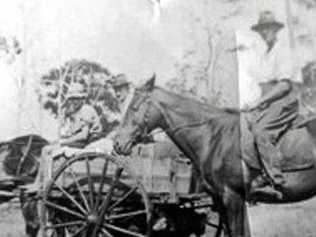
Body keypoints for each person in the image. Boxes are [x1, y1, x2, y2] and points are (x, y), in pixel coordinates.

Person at [239, 11, 301, 199]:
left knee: (261, 131)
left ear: (276, 30)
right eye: (262, 30)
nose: (265, 33)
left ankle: (275, 180)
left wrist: (260, 102)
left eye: (269, 29)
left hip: (284, 100)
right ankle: (253, 174)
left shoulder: (283, 51)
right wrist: (251, 103)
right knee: (243, 126)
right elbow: (262, 85)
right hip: (269, 100)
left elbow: (283, 85)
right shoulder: (265, 53)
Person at [22, 83, 114, 193]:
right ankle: (39, 183)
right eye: (72, 99)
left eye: (76, 98)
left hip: (90, 144)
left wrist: (63, 142)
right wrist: (61, 140)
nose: (73, 101)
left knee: (47, 150)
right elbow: (75, 133)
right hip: (85, 143)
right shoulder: (78, 112)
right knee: (47, 148)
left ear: (82, 99)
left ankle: (44, 184)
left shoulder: (86, 110)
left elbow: (83, 136)